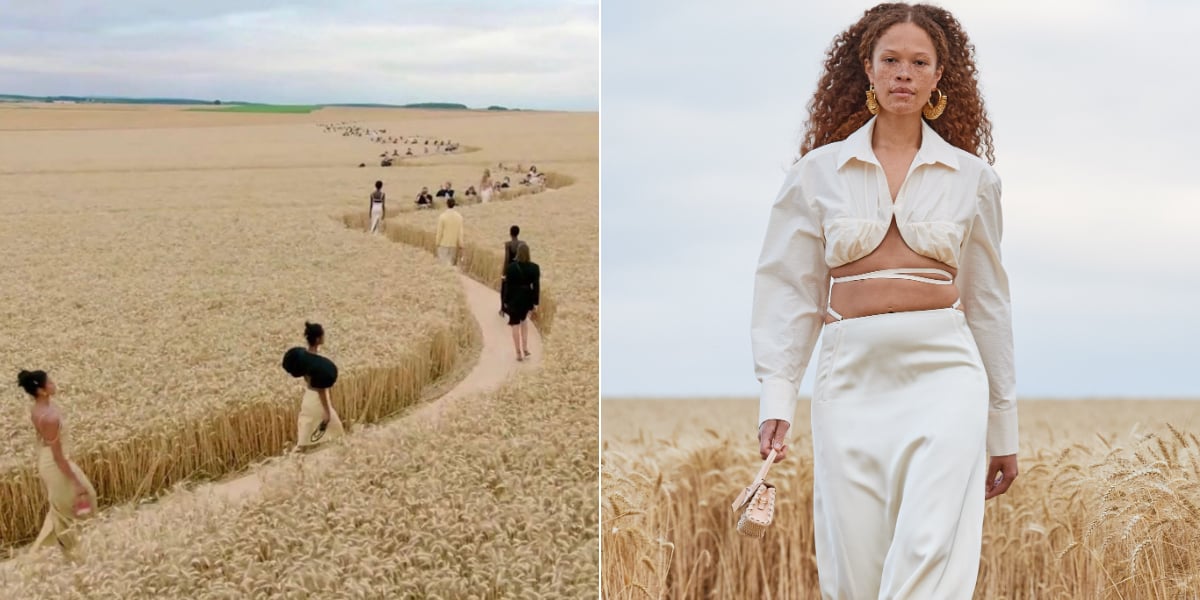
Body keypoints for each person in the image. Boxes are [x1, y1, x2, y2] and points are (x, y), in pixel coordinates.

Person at [750, 4, 1016, 598]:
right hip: (850, 375)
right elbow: (788, 290)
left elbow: (989, 302)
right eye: (890, 60)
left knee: (929, 545)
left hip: (947, 372)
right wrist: (778, 397)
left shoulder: (974, 178)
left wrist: (1003, 428)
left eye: (919, 62)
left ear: (939, 74)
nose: (904, 73)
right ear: (867, 69)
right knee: (856, 559)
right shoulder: (815, 174)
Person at [18, 369, 98, 559]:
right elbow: (57, 456)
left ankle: (72, 550)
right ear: (41, 390)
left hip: (52, 459)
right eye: (50, 382)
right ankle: (63, 554)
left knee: (65, 509)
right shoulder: (49, 417)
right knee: (81, 499)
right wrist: (76, 483)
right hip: (55, 463)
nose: (54, 384)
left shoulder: (38, 408)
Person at [282, 324, 346, 452]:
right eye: (322, 335)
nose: (324, 337)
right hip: (317, 399)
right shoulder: (319, 365)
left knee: (307, 431)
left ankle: (299, 456)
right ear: (318, 339)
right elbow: (321, 390)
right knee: (336, 430)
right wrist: (327, 411)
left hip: (308, 397)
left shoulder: (302, 357)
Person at [502, 243, 540, 361]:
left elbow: (507, 285)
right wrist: (535, 302)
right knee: (524, 321)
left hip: (513, 298)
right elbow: (536, 287)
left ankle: (518, 352)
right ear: (528, 253)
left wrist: (505, 300)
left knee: (515, 324)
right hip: (527, 298)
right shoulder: (534, 268)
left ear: (518, 253)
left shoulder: (511, 267)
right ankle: (525, 348)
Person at [499, 225, 525, 315]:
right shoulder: (522, 244)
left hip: (510, 270)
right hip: (519, 270)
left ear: (510, 233)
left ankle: (502, 309)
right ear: (518, 233)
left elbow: (507, 259)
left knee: (504, 290)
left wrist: (504, 273)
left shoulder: (508, 244)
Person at [435, 198, 464, 267]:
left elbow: (440, 232)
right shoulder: (459, 217)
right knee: (451, 265)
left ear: (446, 204)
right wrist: (461, 244)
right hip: (454, 244)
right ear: (454, 205)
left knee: (443, 264)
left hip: (443, 243)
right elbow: (460, 233)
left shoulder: (442, 216)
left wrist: (437, 242)